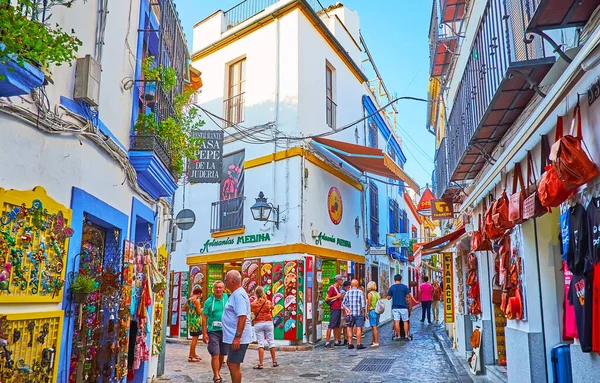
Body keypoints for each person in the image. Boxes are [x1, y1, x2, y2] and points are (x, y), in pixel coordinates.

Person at [222, 270, 252, 383]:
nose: (225, 283)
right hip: (234, 336)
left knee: (234, 365)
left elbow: (242, 317)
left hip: (239, 337)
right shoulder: (236, 294)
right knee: (231, 363)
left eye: (226, 280)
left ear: (233, 281)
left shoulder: (238, 295)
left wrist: (238, 337)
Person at [203, 281, 229, 383]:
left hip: (225, 330)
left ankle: (217, 372)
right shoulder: (208, 302)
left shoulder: (228, 298)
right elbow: (204, 318)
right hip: (213, 331)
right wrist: (204, 333)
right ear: (213, 289)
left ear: (223, 288)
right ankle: (216, 375)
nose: (218, 290)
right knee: (215, 354)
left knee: (222, 354)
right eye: (216, 288)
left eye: (220, 288)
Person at [251, 286, 278, 369]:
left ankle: (261, 363)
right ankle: (274, 361)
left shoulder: (253, 304)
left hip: (258, 323)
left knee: (260, 343)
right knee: (271, 342)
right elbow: (272, 307)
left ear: (255, 294)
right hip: (268, 322)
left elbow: (252, 312)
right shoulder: (267, 302)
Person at [387, 274, 415, 341]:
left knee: (397, 321)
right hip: (403, 306)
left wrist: (392, 295)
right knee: (405, 321)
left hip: (395, 307)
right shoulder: (404, 287)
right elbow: (408, 297)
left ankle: (398, 336)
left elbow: (388, 298)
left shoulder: (392, 288)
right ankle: (406, 335)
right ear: (400, 279)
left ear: (394, 280)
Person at [342, 279, 366, 349]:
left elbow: (343, 304)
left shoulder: (347, 293)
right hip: (358, 313)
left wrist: (347, 310)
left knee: (349, 328)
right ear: (357, 285)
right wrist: (363, 312)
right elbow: (362, 305)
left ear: (351, 285)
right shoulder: (360, 292)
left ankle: (350, 344)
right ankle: (358, 344)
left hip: (350, 314)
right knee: (358, 328)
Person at [183, 287, 202, 362]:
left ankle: (194, 354)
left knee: (194, 338)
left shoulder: (189, 300)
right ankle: (191, 356)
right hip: (196, 321)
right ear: (199, 293)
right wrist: (203, 309)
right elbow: (199, 312)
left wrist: (191, 310)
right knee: (195, 339)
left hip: (191, 320)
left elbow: (183, 308)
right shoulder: (196, 301)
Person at [324, 275, 344, 348]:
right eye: (341, 279)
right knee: (331, 325)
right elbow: (327, 298)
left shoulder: (338, 288)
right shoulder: (332, 288)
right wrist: (337, 297)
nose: (342, 281)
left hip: (338, 308)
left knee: (337, 326)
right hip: (334, 308)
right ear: (338, 280)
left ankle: (336, 341)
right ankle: (327, 342)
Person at [366, 281, 380, 347]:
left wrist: (367, 312)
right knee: (375, 327)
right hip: (377, 311)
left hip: (372, 311)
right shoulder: (377, 293)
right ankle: (373, 341)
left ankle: (376, 341)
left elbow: (369, 304)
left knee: (374, 327)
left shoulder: (370, 294)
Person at [340, 280, 351, 345]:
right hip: (343, 310)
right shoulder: (343, 292)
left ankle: (345, 338)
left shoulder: (344, 291)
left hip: (344, 310)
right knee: (343, 325)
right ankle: (344, 339)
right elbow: (343, 302)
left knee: (345, 325)